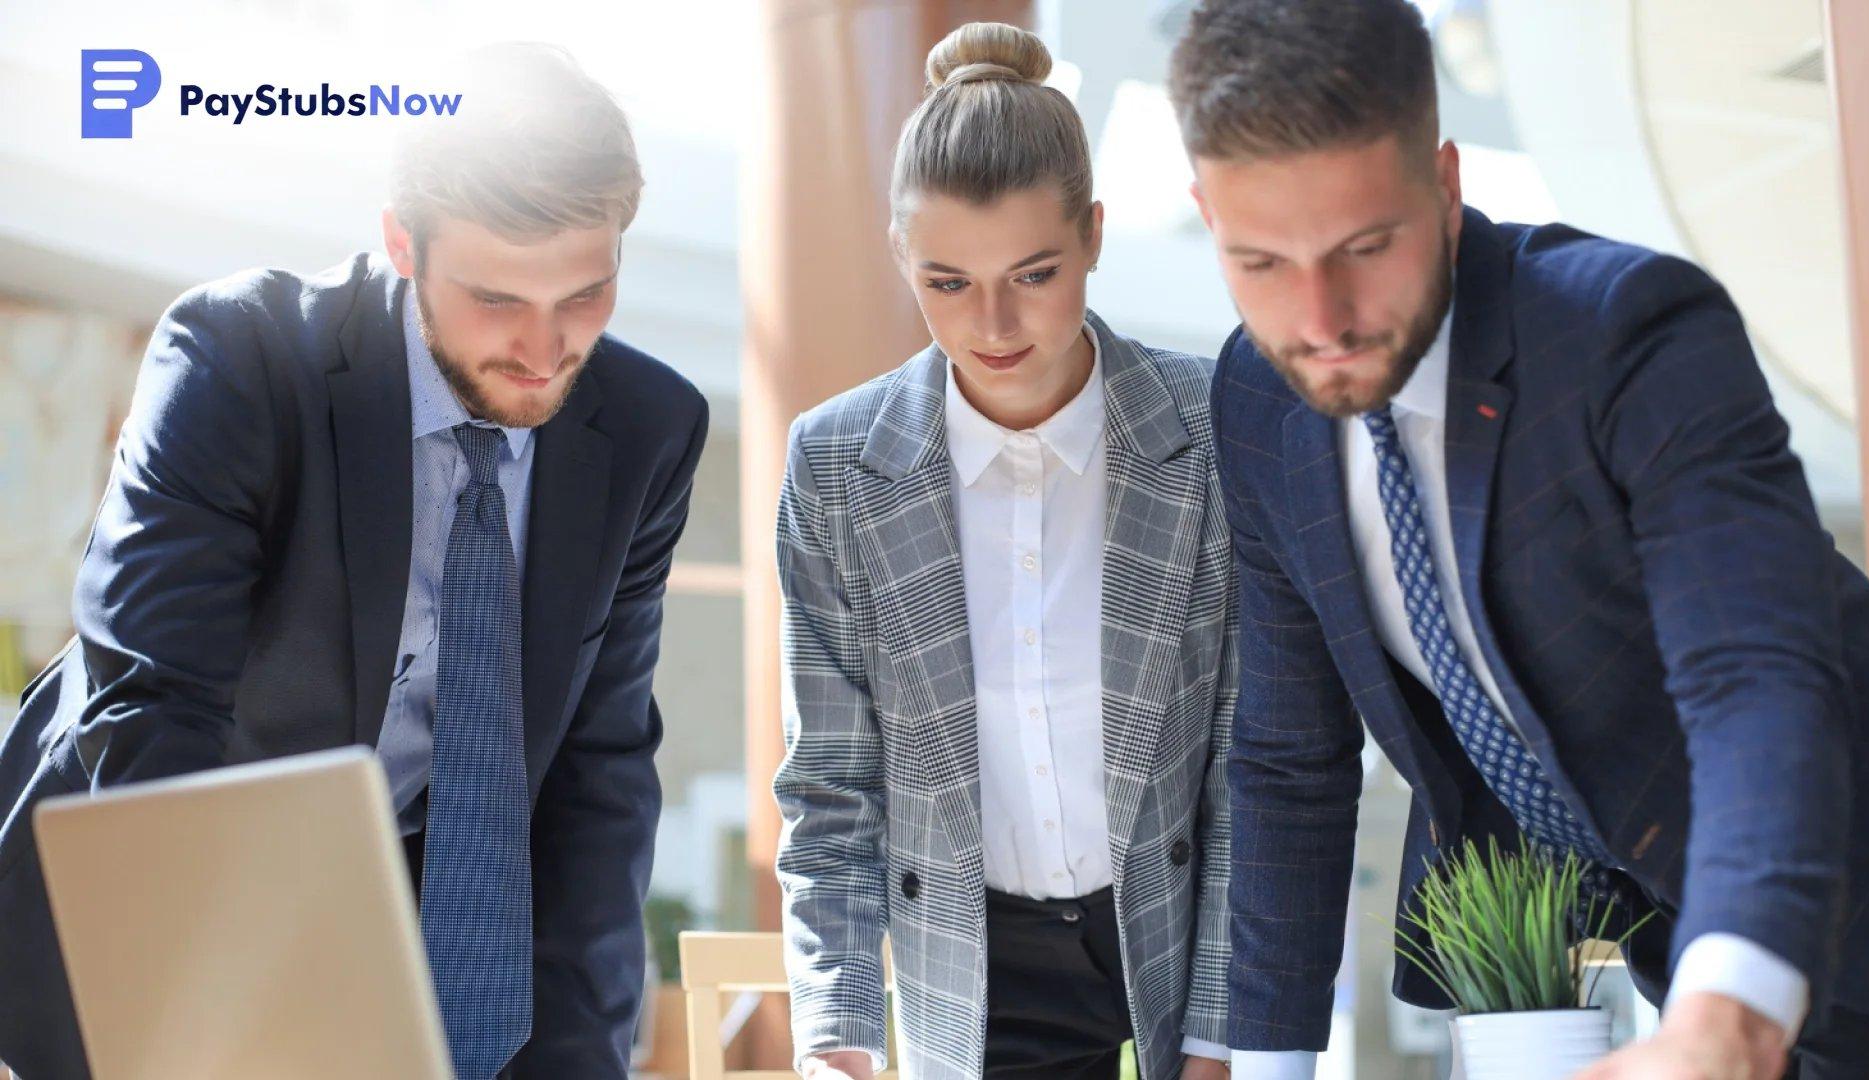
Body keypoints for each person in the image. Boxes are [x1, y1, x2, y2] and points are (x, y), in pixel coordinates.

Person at [1164, 2, 1869, 1077]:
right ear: (1205, 214)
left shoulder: (1629, 332)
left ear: (1447, 182)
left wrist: (1730, 1012)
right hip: (1687, 959)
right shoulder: (1257, 399)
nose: (1320, 317)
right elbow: (1292, 763)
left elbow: (1754, 676)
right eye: (1261, 263)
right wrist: (1259, 1065)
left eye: (1364, 247)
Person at [0, 43, 708, 1080]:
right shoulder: (239, 357)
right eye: (498, 299)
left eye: (585, 294)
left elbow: (596, 775)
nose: (546, 349)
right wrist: (231, 1031)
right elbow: (153, 714)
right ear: (402, 243)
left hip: (417, 920)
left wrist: (576, 1061)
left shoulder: (646, 428)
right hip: (145, 904)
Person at [773, 23, 1236, 1080]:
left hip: (1182, 941)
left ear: (1095, 236)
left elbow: (1248, 763)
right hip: (977, 966)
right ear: (901, 254)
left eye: (1033, 272)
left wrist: (1217, 1039)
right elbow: (831, 785)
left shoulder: (1209, 433)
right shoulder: (839, 465)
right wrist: (836, 1036)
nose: (992, 323)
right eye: (946, 282)